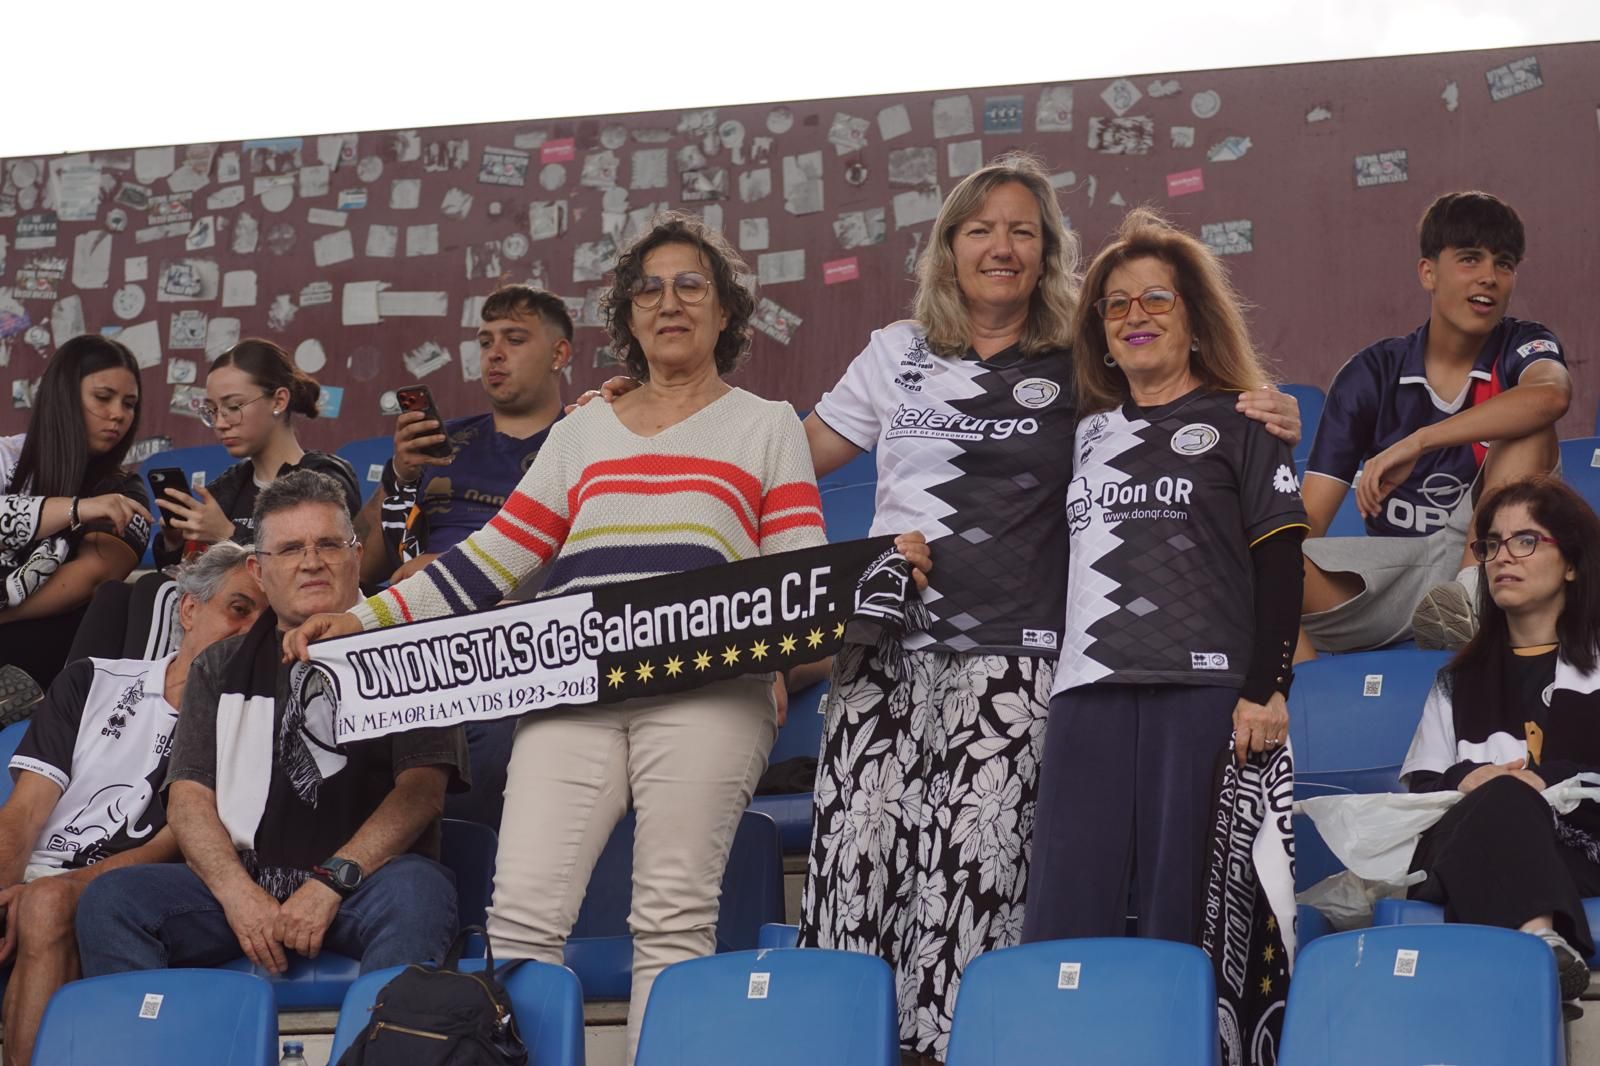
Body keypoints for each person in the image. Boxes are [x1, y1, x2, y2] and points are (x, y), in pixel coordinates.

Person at [283, 213, 923, 1063]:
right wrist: (359, 619)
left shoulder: (768, 425)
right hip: (570, 692)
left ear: (726, 312)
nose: (669, 302)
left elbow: (798, 578)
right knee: (521, 917)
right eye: (648, 288)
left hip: (710, 697)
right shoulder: (580, 430)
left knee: (674, 918)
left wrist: (874, 570)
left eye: (691, 284)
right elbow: (489, 563)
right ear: (626, 317)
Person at [790, 158, 1303, 1063]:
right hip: (884, 657)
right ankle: (843, 1048)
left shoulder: (1080, 360)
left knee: (978, 887)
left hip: (1016, 666)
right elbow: (787, 462)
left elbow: (1177, 422)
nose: (1002, 245)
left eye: (1024, 230)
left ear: (1049, 252)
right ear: (947, 247)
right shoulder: (893, 350)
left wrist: (1262, 409)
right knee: (854, 873)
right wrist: (668, 415)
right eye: (981, 227)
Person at [1022, 208, 1308, 950]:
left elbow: (1279, 560)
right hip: (1088, 690)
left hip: (1203, 691)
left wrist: (1270, 686)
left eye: (1156, 299)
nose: (1133, 316)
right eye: (1114, 304)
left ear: (1195, 317)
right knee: (1066, 904)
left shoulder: (1245, 420)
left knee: (1186, 909)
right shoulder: (1080, 430)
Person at [75, 471, 468, 979]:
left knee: (421, 891)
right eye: (290, 549)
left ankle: (383, 1044)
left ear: (355, 553)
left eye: (328, 543)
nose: (311, 561)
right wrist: (239, 896)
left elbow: (421, 792)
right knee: (112, 902)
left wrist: (330, 883)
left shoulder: (413, 649)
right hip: (247, 882)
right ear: (258, 571)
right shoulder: (218, 665)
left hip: (366, 884)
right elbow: (189, 798)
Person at [0, 542, 263, 1066]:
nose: (249, 630)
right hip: (38, 872)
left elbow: (177, 842)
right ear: (189, 609)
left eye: (264, 621)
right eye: (238, 608)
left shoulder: (249, 720)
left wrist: (59, 888)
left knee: (47, 905)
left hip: (122, 888)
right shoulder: (90, 679)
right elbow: (24, 812)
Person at [1300, 191, 1571, 657]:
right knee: (1268, 563)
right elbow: (1305, 523)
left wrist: (1420, 442)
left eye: (1504, 264)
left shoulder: (1525, 344)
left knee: (1528, 424)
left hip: (1500, 566)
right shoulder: (1371, 374)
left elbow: (1551, 396)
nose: (1489, 277)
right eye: (1470, 259)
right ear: (1428, 272)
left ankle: (1471, 599)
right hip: (1399, 575)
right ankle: (1301, 704)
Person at [352, 285, 570, 829]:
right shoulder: (441, 441)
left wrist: (454, 580)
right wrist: (400, 476)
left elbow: (587, 561)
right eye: (485, 341)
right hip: (406, 628)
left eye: (515, 340)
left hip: (514, 632)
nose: (494, 354)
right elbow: (360, 565)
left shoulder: (583, 441)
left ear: (560, 354)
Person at [1400, 475, 1600, 1005]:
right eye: (1491, 544)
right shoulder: (1456, 683)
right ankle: (1540, 945)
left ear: (1573, 564)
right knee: (1501, 796)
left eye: (1526, 540)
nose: (1502, 557)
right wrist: (1472, 779)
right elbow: (1420, 788)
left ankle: (1535, 948)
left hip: (1582, 851)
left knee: (1510, 795)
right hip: (1466, 851)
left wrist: (1542, 780)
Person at [0, 335, 153, 692]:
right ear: (65, 395)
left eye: (129, 404)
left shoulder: (124, 492)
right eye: (103, 397)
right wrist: (76, 510)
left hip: (40, 658)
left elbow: (92, 577)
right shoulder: (7, 458)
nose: (118, 414)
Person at [153, 339, 360, 566]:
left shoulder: (326, 478)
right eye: (212, 410)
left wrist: (227, 534)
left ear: (279, 401)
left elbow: (311, 564)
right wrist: (175, 543)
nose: (220, 423)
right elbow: (188, 578)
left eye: (233, 407)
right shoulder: (228, 486)